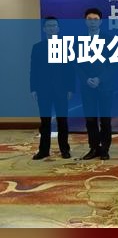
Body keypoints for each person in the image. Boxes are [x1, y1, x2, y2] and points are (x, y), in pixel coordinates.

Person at [30, 17, 75, 160]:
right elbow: (33, 70)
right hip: (43, 90)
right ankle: (44, 150)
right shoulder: (37, 47)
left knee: (62, 121)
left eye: (54, 25)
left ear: (58, 29)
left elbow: (70, 70)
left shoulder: (65, 46)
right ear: (44, 29)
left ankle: (64, 149)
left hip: (61, 89)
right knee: (45, 122)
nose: (51, 28)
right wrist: (33, 88)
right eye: (48, 26)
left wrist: (71, 88)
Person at [77, 8, 113, 160]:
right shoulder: (79, 40)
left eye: (95, 19)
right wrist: (86, 79)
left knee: (105, 120)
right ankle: (94, 148)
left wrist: (100, 79)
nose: (92, 22)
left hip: (105, 86)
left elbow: (113, 64)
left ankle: (105, 149)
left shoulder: (110, 39)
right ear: (85, 21)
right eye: (89, 19)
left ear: (100, 22)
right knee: (90, 120)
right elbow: (77, 64)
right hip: (87, 86)